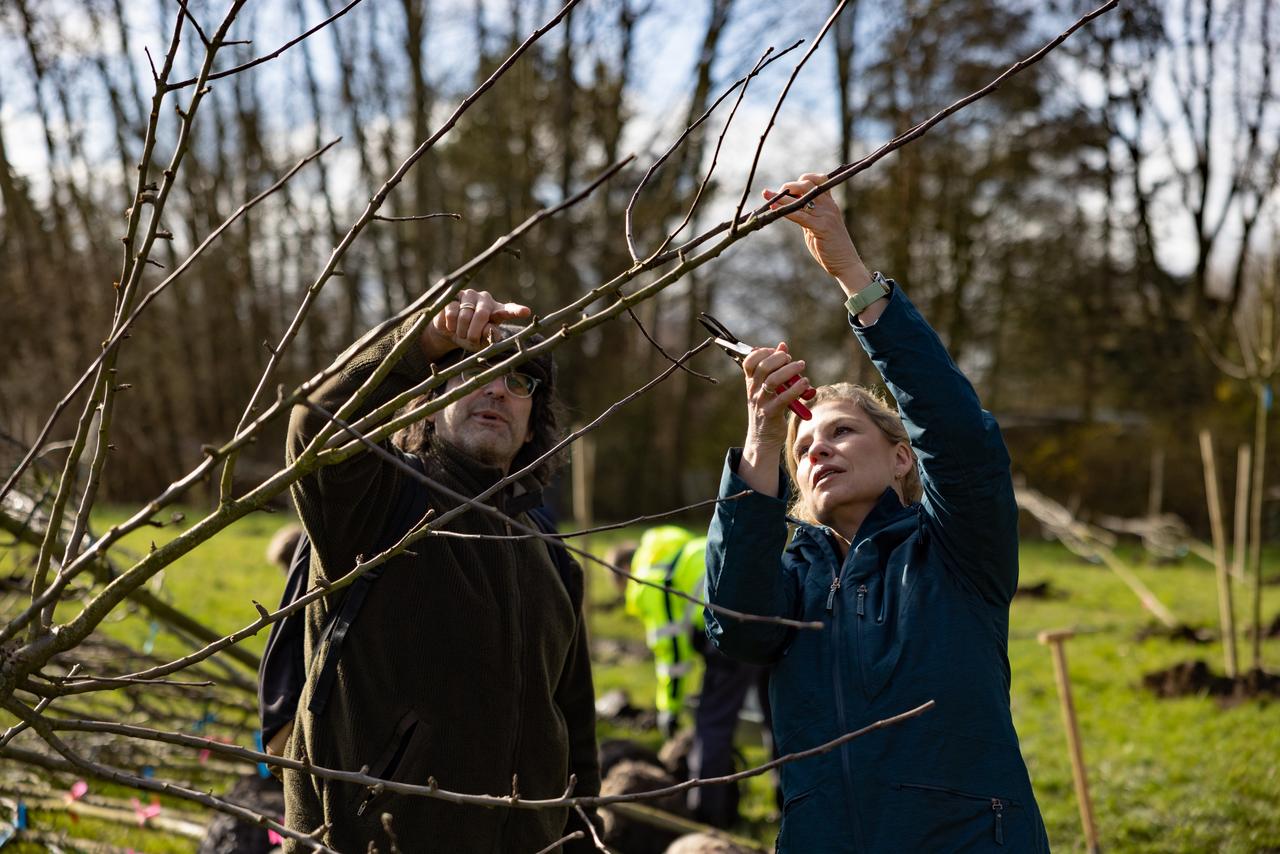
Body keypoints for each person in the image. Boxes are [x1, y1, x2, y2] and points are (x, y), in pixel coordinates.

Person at [703, 174, 1050, 852]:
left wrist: (852, 274)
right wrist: (764, 434)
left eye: (842, 432)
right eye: (804, 447)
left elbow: (958, 437)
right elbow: (736, 628)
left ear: (900, 459)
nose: (818, 448)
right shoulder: (791, 584)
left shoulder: (955, 553)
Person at [283, 289, 600, 852]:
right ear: (431, 396)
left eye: (519, 380)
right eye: (477, 367)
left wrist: (578, 840)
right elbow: (316, 424)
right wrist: (422, 339)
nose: (498, 387)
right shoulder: (377, 501)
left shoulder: (552, 556)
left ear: (532, 425)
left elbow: (574, 731)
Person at [624, 525, 774, 829]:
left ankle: (708, 817)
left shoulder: (649, 579)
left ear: (621, 572)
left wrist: (669, 709)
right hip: (768, 608)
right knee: (777, 715)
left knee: (713, 726)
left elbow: (672, 658)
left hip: (730, 626)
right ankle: (791, 807)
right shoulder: (686, 550)